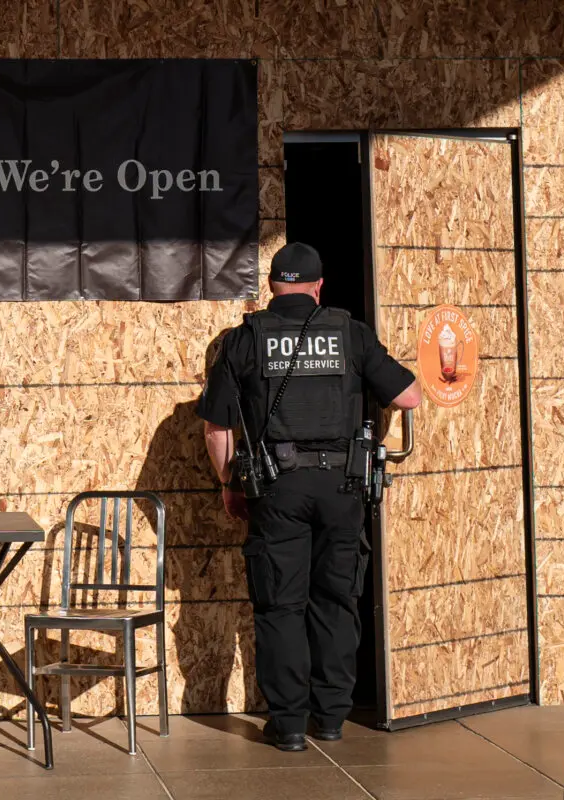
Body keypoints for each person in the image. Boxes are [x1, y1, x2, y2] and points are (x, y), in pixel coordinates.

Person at [197, 242, 421, 751]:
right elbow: (409, 396)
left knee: (280, 605)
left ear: (272, 286)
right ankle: (332, 718)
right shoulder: (348, 332)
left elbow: (217, 430)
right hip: (342, 487)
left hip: (278, 488)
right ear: (319, 286)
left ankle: (290, 725)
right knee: (335, 601)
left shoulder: (245, 339)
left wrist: (231, 484)